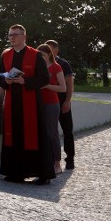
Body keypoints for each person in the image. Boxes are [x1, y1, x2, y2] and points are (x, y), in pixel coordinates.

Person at [0, 24, 55, 185]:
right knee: (13, 136)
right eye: (9, 35)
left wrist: (25, 81)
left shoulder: (35, 55)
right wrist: (5, 80)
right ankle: (15, 173)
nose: (12, 37)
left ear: (24, 37)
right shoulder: (6, 55)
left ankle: (42, 174)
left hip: (31, 104)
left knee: (34, 136)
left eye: (15, 34)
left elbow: (44, 79)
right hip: (12, 103)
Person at [46, 39, 75, 170]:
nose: (48, 52)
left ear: (56, 50)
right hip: (49, 103)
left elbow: (69, 85)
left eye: (50, 49)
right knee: (51, 132)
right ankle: (52, 159)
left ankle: (70, 159)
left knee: (67, 131)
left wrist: (67, 101)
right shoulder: (43, 63)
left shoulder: (63, 64)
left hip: (62, 102)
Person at [37, 43, 67, 175]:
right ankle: (45, 161)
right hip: (39, 103)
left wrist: (48, 86)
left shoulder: (56, 67)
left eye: (42, 55)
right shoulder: (38, 68)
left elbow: (63, 88)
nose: (40, 58)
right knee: (41, 134)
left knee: (52, 133)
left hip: (51, 104)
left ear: (49, 54)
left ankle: (57, 163)